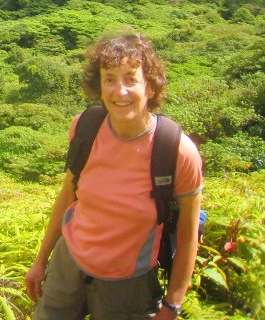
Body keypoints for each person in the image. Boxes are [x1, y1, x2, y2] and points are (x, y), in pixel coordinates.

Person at [25, 32, 203, 319]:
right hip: (68, 264)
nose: (120, 91)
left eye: (131, 79)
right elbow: (68, 194)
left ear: (150, 86)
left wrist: (173, 304)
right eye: (109, 79)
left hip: (129, 285)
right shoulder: (85, 128)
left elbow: (187, 236)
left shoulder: (176, 151)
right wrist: (40, 260)